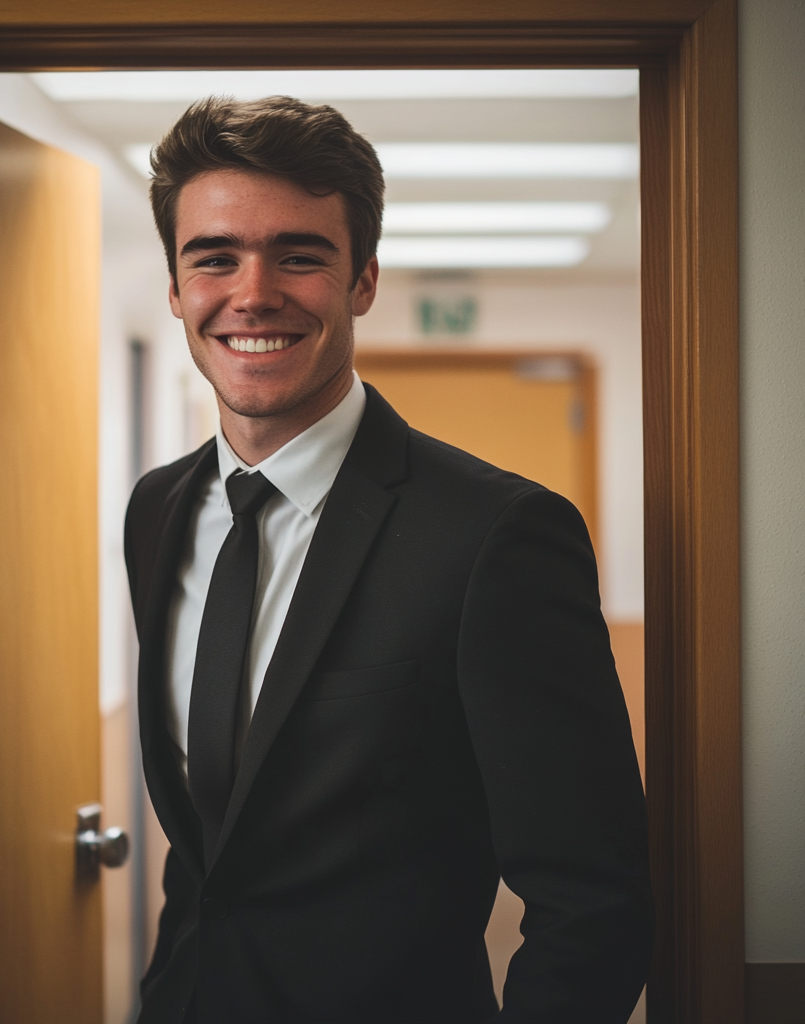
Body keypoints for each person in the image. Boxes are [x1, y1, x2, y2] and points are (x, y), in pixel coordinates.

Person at [124, 95, 653, 1024]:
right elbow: (215, 849)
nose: (252, 293)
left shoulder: (498, 535)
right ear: (175, 288)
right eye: (214, 257)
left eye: (300, 254)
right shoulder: (159, 511)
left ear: (363, 279)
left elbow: (593, 899)